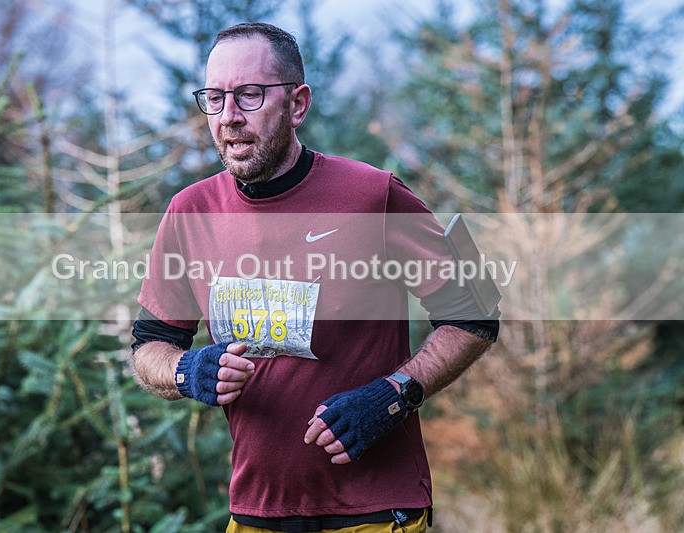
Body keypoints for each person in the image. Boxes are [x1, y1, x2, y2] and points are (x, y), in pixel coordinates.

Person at [130, 22, 498, 533]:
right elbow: (149, 346)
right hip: (255, 512)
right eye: (214, 98)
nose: (228, 117)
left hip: (375, 509)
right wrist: (185, 371)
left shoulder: (373, 196)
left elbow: (475, 316)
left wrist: (394, 394)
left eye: (250, 95)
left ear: (297, 104)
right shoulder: (191, 212)